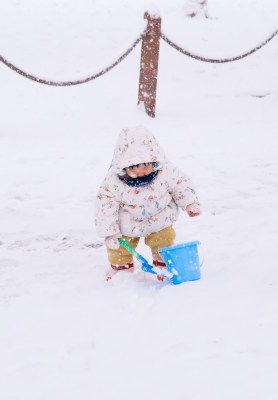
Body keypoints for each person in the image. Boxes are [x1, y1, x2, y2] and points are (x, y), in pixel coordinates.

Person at [95, 126, 201, 280]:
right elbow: (104, 205)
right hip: (127, 224)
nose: (141, 172)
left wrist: (190, 203)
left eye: (145, 166)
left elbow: (181, 184)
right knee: (119, 248)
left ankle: (163, 266)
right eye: (134, 167)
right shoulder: (114, 183)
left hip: (160, 220)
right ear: (122, 165)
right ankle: (121, 269)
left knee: (163, 242)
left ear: (154, 159)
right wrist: (110, 230)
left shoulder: (166, 172)